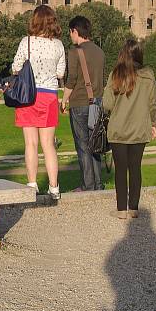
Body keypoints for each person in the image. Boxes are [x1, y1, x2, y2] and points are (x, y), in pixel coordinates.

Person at [11, 5, 66, 200]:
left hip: (28, 96)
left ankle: (32, 183)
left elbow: (16, 67)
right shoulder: (58, 45)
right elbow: (60, 73)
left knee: (31, 144)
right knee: (48, 145)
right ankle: (54, 187)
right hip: (49, 95)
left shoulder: (26, 42)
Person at [103, 40, 156, 219]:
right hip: (139, 127)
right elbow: (153, 103)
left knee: (120, 169)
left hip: (118, 128)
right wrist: (153, 123)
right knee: (135, 168)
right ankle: (133, 208)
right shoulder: (148, 75)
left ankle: (121, 209)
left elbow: (107, 104)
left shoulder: (116, 75)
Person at [61, 15, 106, 192]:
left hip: (79, 102)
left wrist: (64, 100)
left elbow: (71, 80)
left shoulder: (74, 52)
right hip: (98, 103)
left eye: (70, 32)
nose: (70, 36)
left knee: (83, 146)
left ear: (75, 31)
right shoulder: (99, 51)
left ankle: (87, 186)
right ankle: (98, 184)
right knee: (96, 144)